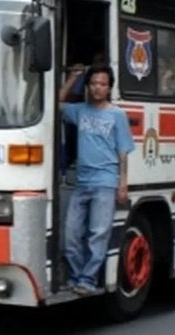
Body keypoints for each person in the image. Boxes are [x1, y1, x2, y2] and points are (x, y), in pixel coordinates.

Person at [59, 64, 135, 296]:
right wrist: (73, 78)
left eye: (102, 84)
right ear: (88, 86)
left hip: (105, 182)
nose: (97, 88)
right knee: (71, 234)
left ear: (109, 87)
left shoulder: (117, 115)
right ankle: (75, 276)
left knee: (98, 234)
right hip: (82, 181)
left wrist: (123, 184)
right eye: (93, 84)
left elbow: (123, 152)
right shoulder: (79, 110)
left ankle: (88, 280)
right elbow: (55, 104)